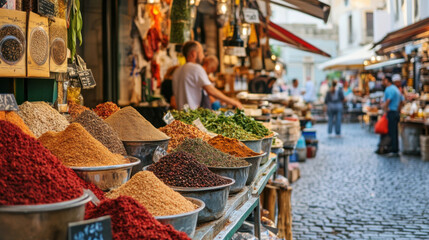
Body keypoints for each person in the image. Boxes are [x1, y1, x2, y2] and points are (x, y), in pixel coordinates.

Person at [172, 41, 242, 110]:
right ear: (194, 54)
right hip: (192, 116)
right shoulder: (195, 68)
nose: (203, 56)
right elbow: (211, 90)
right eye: (201, 52)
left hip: (180, 116)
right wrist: (234, 102)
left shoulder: (177, 71)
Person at [379, 75, 402, 157]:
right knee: (394, 131)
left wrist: (384, 110)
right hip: (395, 112)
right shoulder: (396, 89)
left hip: (391, 112)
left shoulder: (390, 89)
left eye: (383, 80)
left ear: (387, 80)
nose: (382, 82)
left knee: (392, 132)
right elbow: (401, 100)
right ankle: (394, 148)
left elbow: (388, 100)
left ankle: (393, 149)